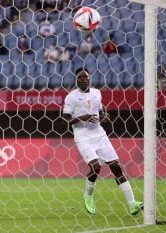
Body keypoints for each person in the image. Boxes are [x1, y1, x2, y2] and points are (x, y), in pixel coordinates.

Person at [62, 68, 144, 215]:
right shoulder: (71, 97)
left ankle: (133, 204)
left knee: (116, 167)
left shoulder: (96, 93)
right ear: (76, 80)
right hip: (82, 136)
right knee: (95, 167)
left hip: (99, 134)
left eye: (85, 77)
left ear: (89, 78)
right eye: (80, 77)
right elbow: (65, 119)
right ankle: (88, 196)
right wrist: (83, 118)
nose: (83, 79)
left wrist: (104, 115)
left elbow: (99, 110)